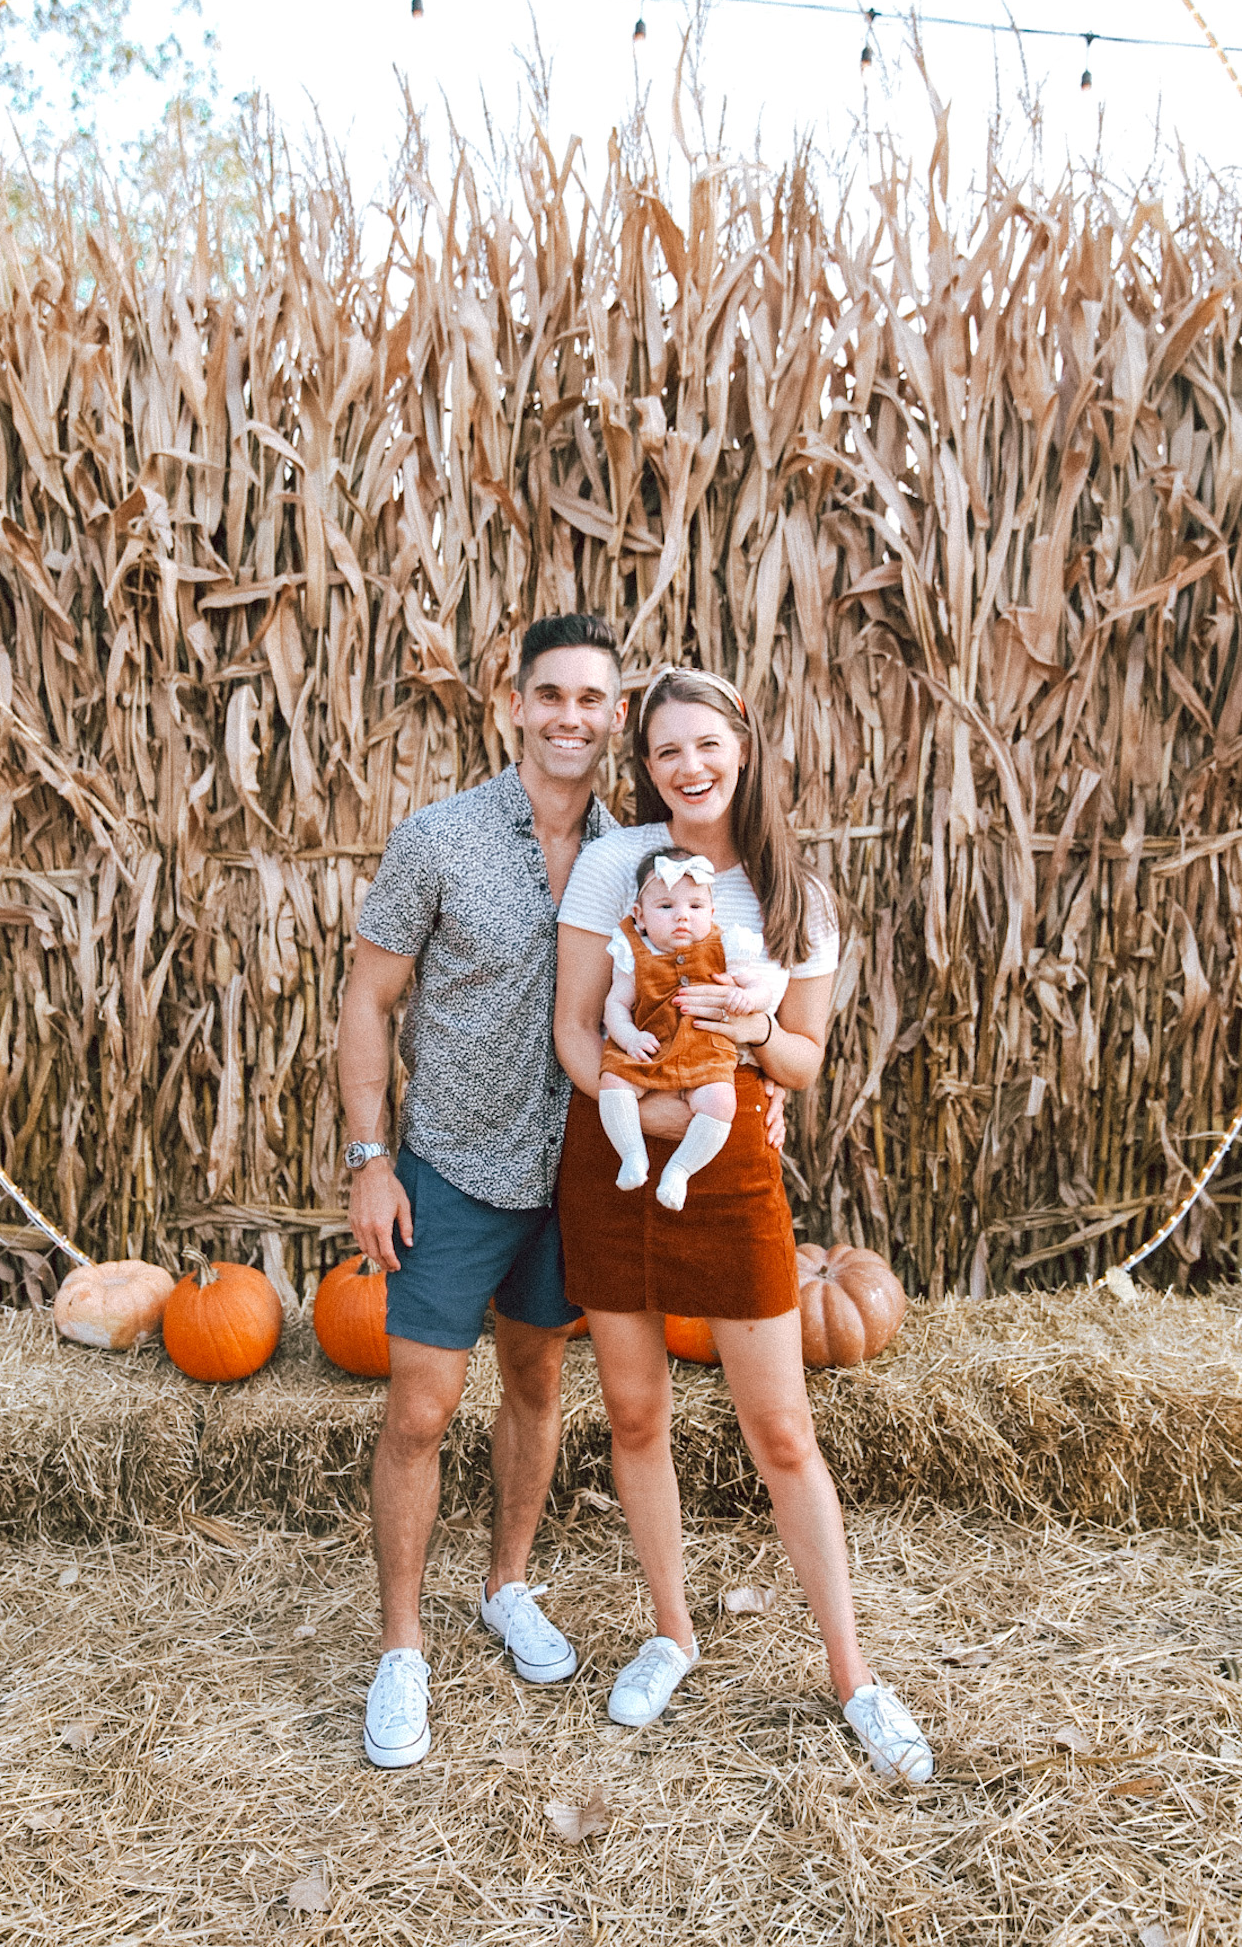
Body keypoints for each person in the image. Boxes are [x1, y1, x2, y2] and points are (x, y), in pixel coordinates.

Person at [553, 662, 933, 1784]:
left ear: (744, 743)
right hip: (617, 1153)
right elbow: (578, 1031)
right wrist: (651, 1109)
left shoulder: (795, 895)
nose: (690, 767)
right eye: (666, 750)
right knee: (633, 1414)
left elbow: (806, 1063)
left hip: (732, 1163)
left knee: (781, 1433)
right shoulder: (613, 867)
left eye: (706, 744)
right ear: (647, 765)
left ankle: (852, 1672)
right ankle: (671, 1629)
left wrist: (757, 1023)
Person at [337, 613, 627, 1770]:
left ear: (615, 715)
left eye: (590, 699)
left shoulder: (633, 857)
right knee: (417, 1410)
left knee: (537, 1379)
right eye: (548, 694)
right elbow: (369, 997)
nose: (569, 716)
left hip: (572, 1177)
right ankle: (401, 1643)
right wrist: (369, 1156)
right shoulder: (438, 839)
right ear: (515, 705)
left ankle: (507, 1582)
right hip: (452, 1166)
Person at [598, 846, 788, 1209]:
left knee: (720, 1101)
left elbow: (760, 988)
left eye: (695, 907)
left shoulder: (726, 947)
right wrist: (629, 1037)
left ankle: (680, 1170)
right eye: (666, 907)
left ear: (712, 912)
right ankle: (633, 1155)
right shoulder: (632, 952)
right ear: (639, 916)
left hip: (705, 1054)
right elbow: (616, 1006)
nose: (682, 917)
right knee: (614, 1081)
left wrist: (748, 1001)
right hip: (649, 1046)